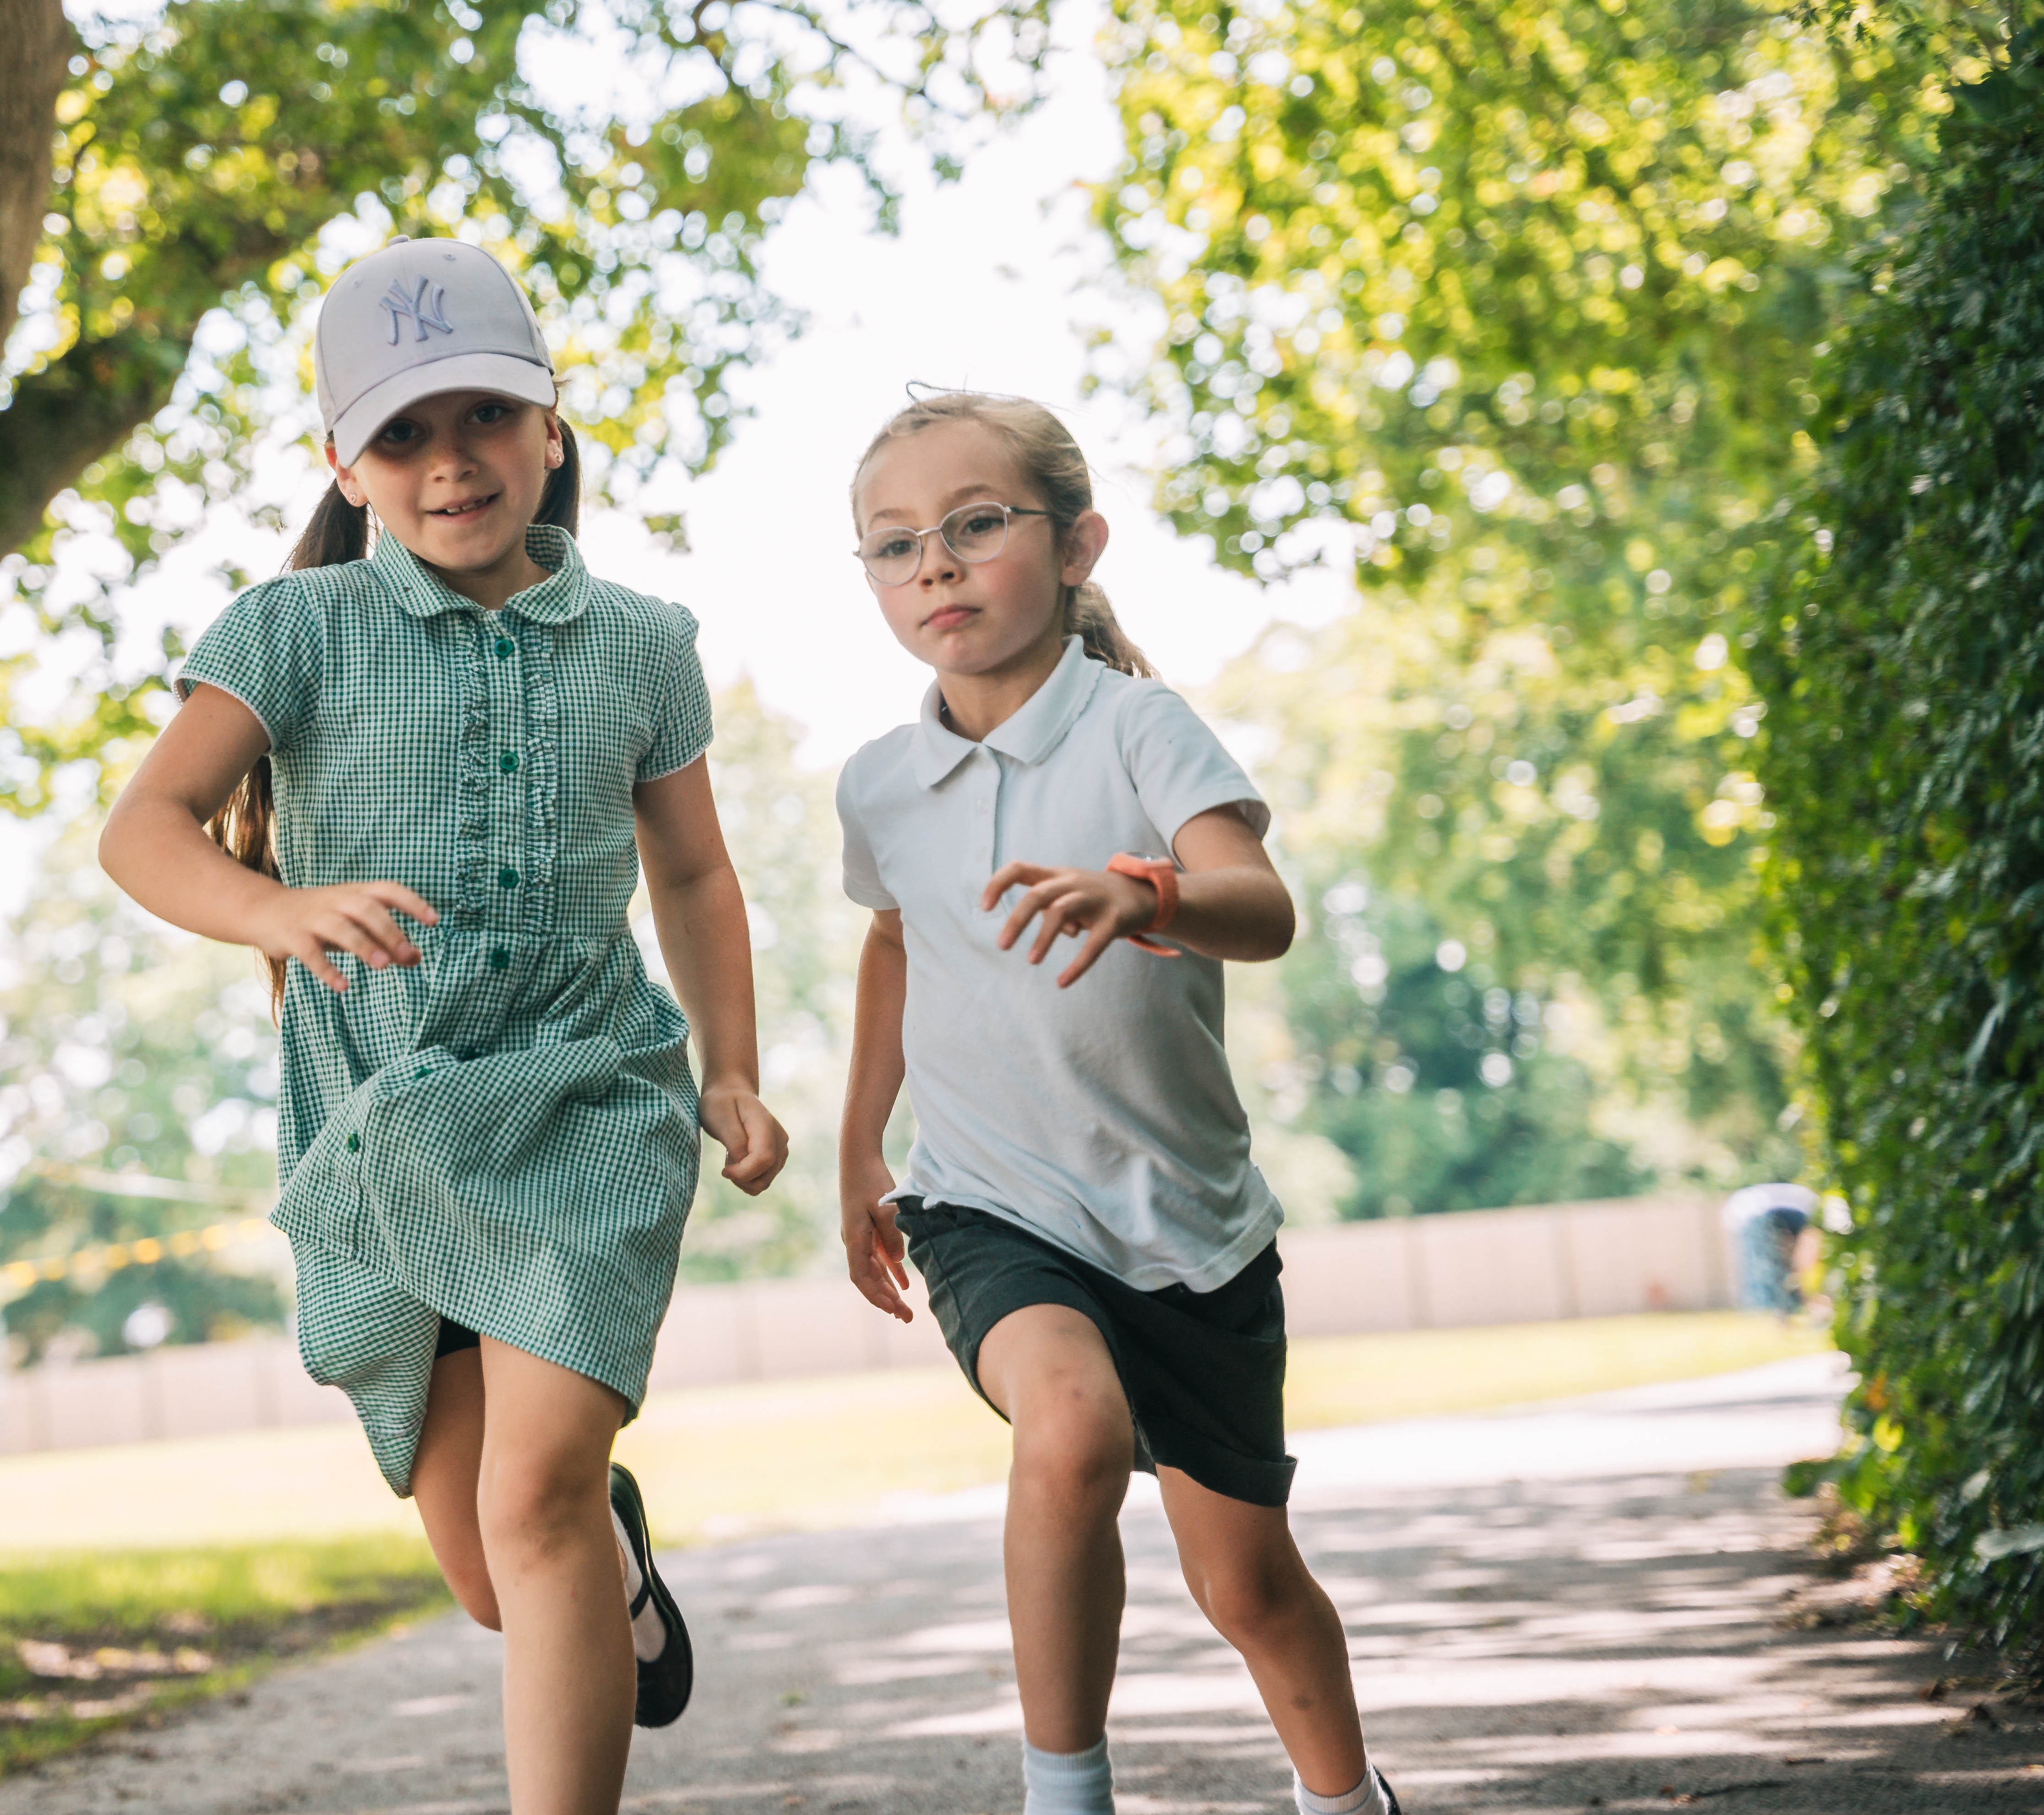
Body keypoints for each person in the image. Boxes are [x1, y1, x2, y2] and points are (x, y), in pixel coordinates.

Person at [98, 236, 786, 1814]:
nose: (449, 462)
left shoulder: (643, 645)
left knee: (529, 1505)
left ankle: (576, 1562)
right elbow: (142, 828)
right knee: (496, 1570)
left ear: (551, 426)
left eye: (482, 415)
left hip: (586, 1100)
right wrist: (269, 908)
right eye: (401, 433)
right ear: (345, 461)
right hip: (385, 1130)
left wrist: (731, 1066)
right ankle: (610, 1550)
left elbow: (693, 868)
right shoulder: (295, 629)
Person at [833, 392, 1403, 1815]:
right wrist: (858, 1146)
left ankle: (1348, 1801)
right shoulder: (881, 786)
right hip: (988, 1203)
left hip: (1190, 1227)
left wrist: (1141, 889)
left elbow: (1261, 908)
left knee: (1250, 1584)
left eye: (976, 526)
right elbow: (896, 941)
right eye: (896, 546)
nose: (937, 567)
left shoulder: (1142, 729)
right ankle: (1064, 1791)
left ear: (1075, 543)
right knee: (1069, 1426)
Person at [1722, 1181, 1820, 1313]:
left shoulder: (1744, 1205)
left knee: (1770, 1269)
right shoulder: (1804, 1200)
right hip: (1761, 1216)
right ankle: (1785, 1306)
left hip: (1756, 1216)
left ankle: (1779, 1306)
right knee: (1790, 1267)